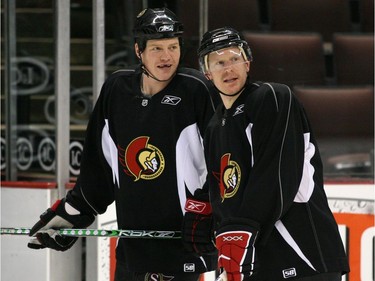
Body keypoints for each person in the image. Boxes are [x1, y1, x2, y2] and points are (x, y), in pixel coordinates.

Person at [27, 8, 219, 281]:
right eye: (157, 48)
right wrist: (74, 210)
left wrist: (209, 210)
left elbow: (223, 160)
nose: (167, 57)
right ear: (138, 51)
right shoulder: (117, 90)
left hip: (186, 245)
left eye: (173, 47)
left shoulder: (197, 90)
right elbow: (99, 165)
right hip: (133, 247)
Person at [197, 27, 350, 281]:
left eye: (235, 58)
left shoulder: (273, 98)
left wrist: (241, 229)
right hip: (256, 260)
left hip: (304, 255)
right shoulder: (215, 126)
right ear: (207, 73)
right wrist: (209, 218)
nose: (228, 68)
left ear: (247, 62)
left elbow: (277, 173)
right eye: (218, 62)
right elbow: (222, 187)